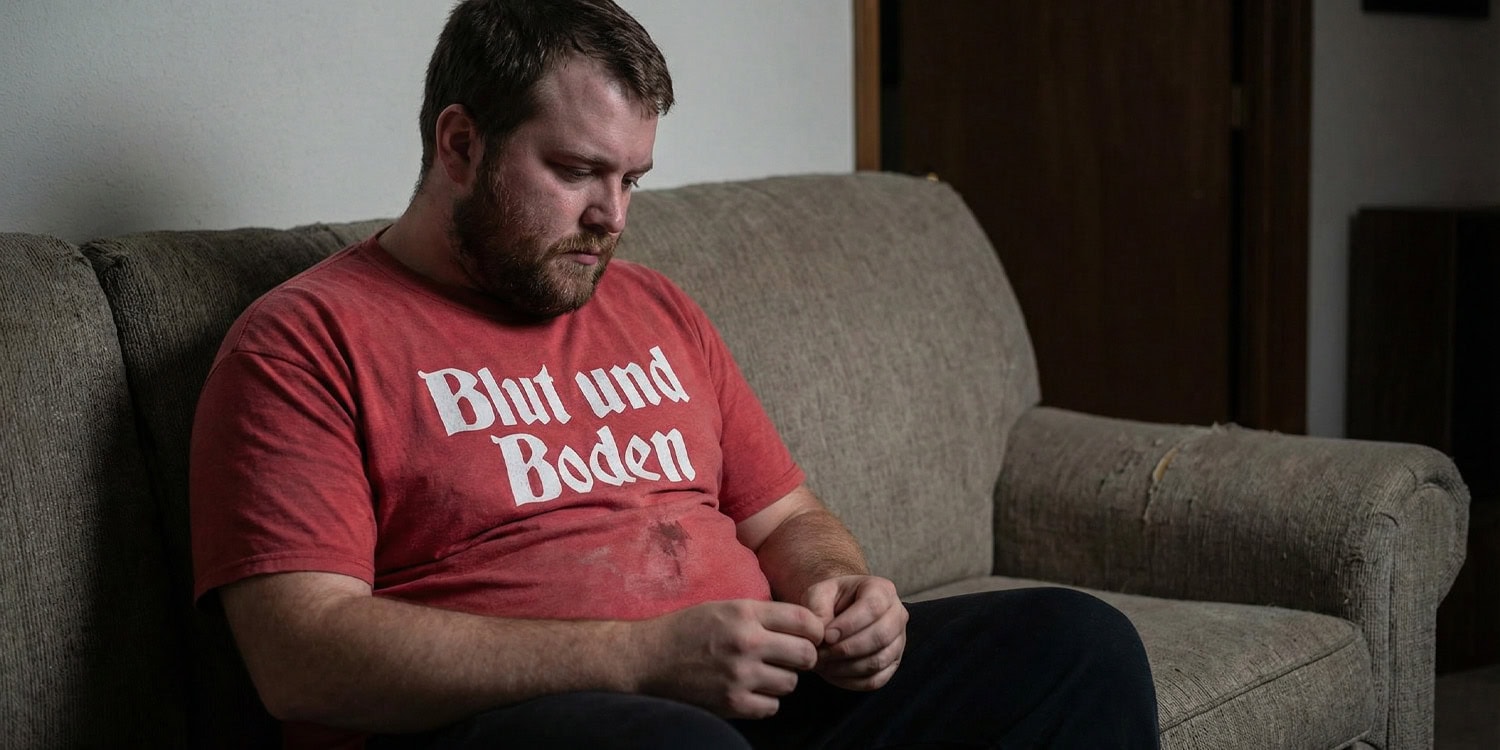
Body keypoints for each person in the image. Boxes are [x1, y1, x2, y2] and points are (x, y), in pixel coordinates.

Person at [188, 1, 1161, 748]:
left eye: (631, 180)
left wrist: (842, 590)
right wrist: (637, 658)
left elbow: (788, 518)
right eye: (577, 171)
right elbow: (300, 655)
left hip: (747, 700)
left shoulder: (653, 306)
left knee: (1075, 646)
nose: (612, 216)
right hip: (520, 725)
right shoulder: (305, 343)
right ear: (461, 145)